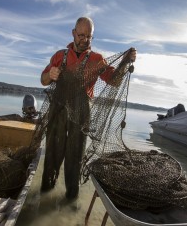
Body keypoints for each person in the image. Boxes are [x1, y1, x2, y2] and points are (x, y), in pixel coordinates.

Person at [40, 16, 137, 199]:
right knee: (52, 155)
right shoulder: (59, 56)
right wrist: (50, 74)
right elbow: (43, 80)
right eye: (81, 35)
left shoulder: (97, 59)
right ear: (73, 33)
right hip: (57, 111)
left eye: (89, 36)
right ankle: (44, 197)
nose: (84, 40)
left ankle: (70, 202)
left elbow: (114, 81)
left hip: (82, 113)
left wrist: (125, 63)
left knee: (74, 160)